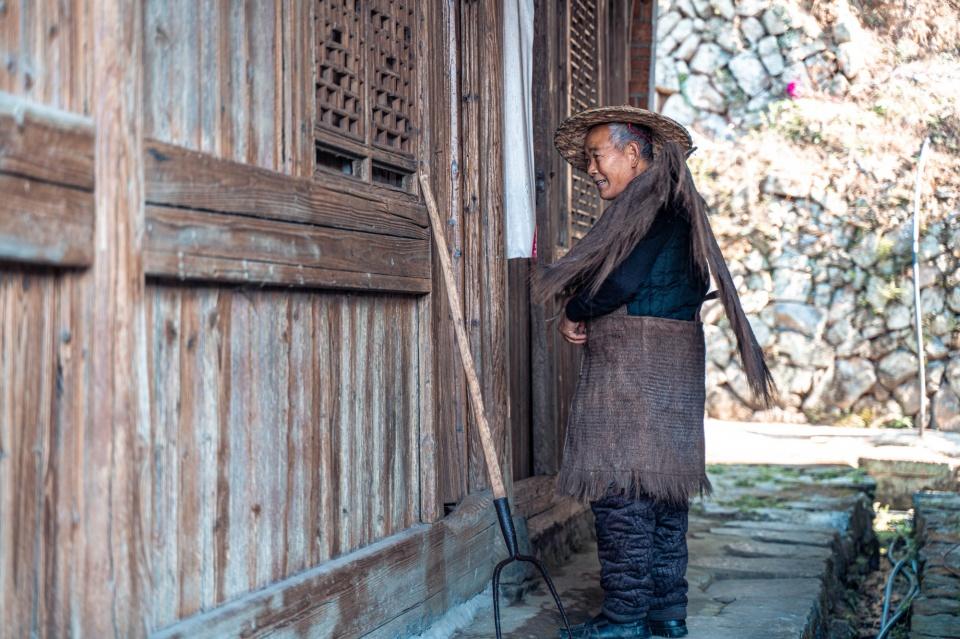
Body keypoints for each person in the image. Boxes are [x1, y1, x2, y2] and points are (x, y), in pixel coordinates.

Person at [533, 106, 777, 639]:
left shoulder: (649, 208)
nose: (591, 168)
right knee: (664, 495)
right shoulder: (675, 205)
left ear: (632, 153)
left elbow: (622, 282)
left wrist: (576, 311)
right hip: (673, 362)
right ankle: (667, 614)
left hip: (635, 368)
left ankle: (623, 620)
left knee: (622, 492)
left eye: (597, 156)